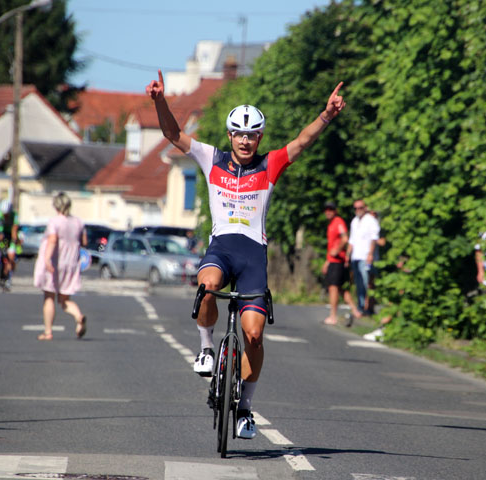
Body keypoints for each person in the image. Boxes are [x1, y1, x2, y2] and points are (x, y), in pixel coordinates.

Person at [146, 69, 346, 439]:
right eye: (239, 133)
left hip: (253, 256)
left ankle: (246, 409)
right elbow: (173, 135)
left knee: (254, 336)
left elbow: (301, 143)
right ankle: (207, 349)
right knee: (207, 286)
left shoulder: (269, 165)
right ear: (230, 135)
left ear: (259, 138)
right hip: (222, 249)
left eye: (252, 135)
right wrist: (160, 100)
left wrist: (327, 115)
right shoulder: (211, 159)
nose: (245, 141)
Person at [33, 193, 88, 341]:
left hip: (56, 261)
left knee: (49, 296)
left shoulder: (55, 222)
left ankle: (48, 332)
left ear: (56, 206)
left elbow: (52, 240)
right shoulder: (78, 222)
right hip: (71, 263)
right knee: (64, 299)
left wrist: (46, 259)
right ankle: (78, 316)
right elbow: (84, 241)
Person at [322, 201, 361, 326]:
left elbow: (345, 238)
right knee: (341, 289)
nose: (328, 212)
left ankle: (333, 316)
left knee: (333, 288)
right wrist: (327, 262)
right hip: (333, 261)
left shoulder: (338, 222)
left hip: (338, 261)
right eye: (326, 209)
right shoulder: (331, 224)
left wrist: (337, 250)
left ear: (335, 211)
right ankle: (356, 311)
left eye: (331, 209)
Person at [346, 199, 380, 316]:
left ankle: (368, 307)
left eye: (360, 207)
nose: (358, 210)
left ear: (365, 208)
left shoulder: (370, 221)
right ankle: (361, 307)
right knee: (358, 283)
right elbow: (352, 240)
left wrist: (370, 254)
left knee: (367, 282)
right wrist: (347, 254)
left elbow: (374, 238)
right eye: (356, 208)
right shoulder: (354, 221)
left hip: (366, 257)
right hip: (356, 256)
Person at [0, 200, 20, 290]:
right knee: (0, 252)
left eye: (7, 214)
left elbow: (14, 230)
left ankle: (8, 278)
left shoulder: (14, 215)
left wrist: (14, 241)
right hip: (2, 235)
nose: (5, 216)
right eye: (4, 214)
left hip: (11, 236)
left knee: (11, 256)